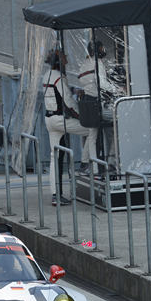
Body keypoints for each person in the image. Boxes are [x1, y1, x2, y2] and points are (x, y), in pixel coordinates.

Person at [43, 48, 93, 205]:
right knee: (92, 129)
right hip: (60, 120)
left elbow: (58, 94)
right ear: (58, 62)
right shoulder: (59, 77)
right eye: (64, 58)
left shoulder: (47, 75)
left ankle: (55, 195)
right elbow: (68, 103)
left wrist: (73, 90)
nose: (67, 60)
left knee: (54, 157)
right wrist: (82, 117)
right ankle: (85, 163)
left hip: (49, 120)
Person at [77, 39, 122, 174]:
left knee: (92, 134)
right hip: (98, 105)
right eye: (102, 48)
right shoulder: (98, 64)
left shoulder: (85, 64)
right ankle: (109, 163)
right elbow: (101, 83)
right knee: (116, 125)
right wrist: (117, 90)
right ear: (97, 51)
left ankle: (86, 163)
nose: (104, 51)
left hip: (88, 103)